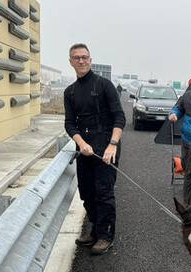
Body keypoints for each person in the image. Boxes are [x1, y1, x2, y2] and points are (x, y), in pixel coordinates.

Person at [64, 43, 126, 255]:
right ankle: (94, 228)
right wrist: (81, 144)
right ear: (71, 62)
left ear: (90, 60)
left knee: (104, 193)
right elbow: (70, 123)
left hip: (107, 146)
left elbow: (120, 117)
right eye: (76, 58)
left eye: (84, 57)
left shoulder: (104, 85)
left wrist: (112, 145)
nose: (81, 61)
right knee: (87, 192)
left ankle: (105, 235)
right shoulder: (69, 92)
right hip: (85, 148)